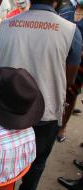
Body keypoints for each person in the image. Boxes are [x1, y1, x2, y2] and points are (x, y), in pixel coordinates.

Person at [0, 0, 82, 189]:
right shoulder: (70, 31)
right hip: (46, 111)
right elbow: (70, 78)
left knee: (5, 161)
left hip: (7, 109)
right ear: (56, 1)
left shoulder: (5, 25)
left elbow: (2, 62)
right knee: (37, 164)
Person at [56, 0, 83, 142]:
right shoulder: (65, 10)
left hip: (79, 64)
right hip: (59, 58)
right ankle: (52, 120)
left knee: (71, 94)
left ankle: (62, 126)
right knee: (55, 90)